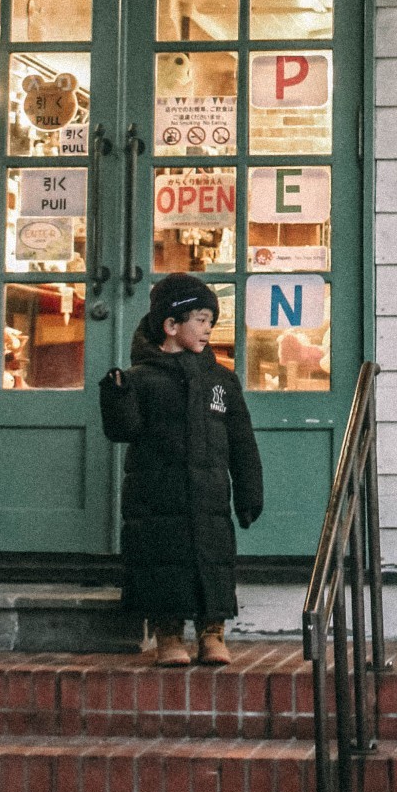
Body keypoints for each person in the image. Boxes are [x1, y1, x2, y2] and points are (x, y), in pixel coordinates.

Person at [99, 277, 264, 666]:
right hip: (157, 496)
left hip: (209, 496)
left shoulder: (221, 381)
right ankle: (168, 634)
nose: (209, 328)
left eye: (212, 320)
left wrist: (249, 491)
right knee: (162, 564)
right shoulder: (141, 378)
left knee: (214, 560)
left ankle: (212, 632)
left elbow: (242, 441)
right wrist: (117, 396)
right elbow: (123, 431)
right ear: (171, 326)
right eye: (201, 319)